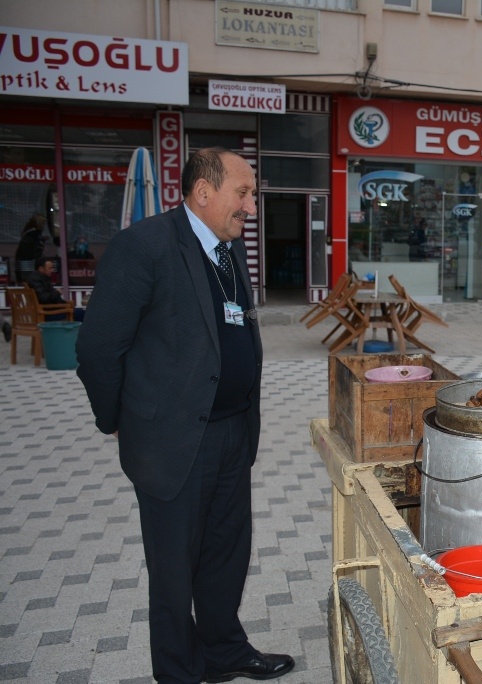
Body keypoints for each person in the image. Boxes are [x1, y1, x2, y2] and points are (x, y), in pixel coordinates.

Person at [76, 148, 294, 684]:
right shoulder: (143, 247)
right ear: (203, 191)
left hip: (231, 433)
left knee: (225, 555)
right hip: (173, 442)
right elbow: (99, 350)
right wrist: (116, 421)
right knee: (173, 571)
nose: (251, 205)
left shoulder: (226, 249)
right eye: (242, 193)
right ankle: (178, 672)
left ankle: (224, 652)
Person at [24, 257, 85, 322]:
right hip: (47, 313)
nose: (52, 270)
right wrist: (57, 292)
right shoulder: (36, 279)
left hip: (50, 310)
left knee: (80, 311)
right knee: (81, 313)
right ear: (41, 269)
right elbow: (43, 297)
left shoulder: (42, 278)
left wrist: (65, 303)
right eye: (50, 268)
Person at [15, 213, 48, 282]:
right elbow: (35, 251)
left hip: (24, 264)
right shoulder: (34, 235)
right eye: (43, 223)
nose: (44, 225)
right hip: (29, 265)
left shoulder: (28, 233)